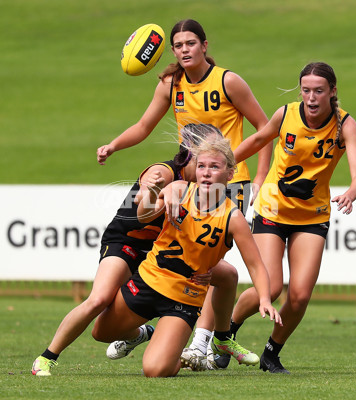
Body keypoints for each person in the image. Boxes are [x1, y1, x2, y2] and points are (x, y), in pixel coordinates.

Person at [97, 18, 273, 370]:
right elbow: (145, 125)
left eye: (191, 43)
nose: (185, 49)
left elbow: (263, 127)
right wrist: (114, 145)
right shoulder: (170, 82)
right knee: (197, 263)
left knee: (206, 266)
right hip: (190, 179)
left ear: (205, 46)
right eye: (178, 45)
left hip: (230, 183)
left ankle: (201, 343)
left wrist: (262, 178)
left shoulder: (228, 81)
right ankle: (167, 330)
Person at [32, 124, 248, 376]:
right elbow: (140, 209)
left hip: (162, 252)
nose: (216, 153)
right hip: (129, 242)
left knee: (228, 274)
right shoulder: (165, 172)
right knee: (99, 299)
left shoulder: (207, 184)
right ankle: (47, 358)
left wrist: (207, 267)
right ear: (191, 151)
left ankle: (217, 340)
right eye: (209, 148)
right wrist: (156, 192)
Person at [90, 135, 281, 378]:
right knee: (100, 333)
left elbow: (255, 265)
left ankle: (192, 346)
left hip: (184, 298)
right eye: (201, 166)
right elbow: (143, 215)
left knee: (155, 370)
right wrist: (157, 192)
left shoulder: (234, 218)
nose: (207, 173)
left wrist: (264, 298)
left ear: (230, 173)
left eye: (215, 167)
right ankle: (151, 335)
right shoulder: (179, 189)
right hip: (150, 282)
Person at [229, 62, 356, 374]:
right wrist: (223, 161)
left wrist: (350, 193)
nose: (312, 97)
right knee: (272, 286)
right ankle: (227, 330)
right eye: (306, 90)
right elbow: (257, 140)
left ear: (332, 92)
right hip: (273, 210)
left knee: (301, 295)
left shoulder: (345, 125)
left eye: (319, 91)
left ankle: (271, 353)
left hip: (312, 216)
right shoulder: (286, 114)